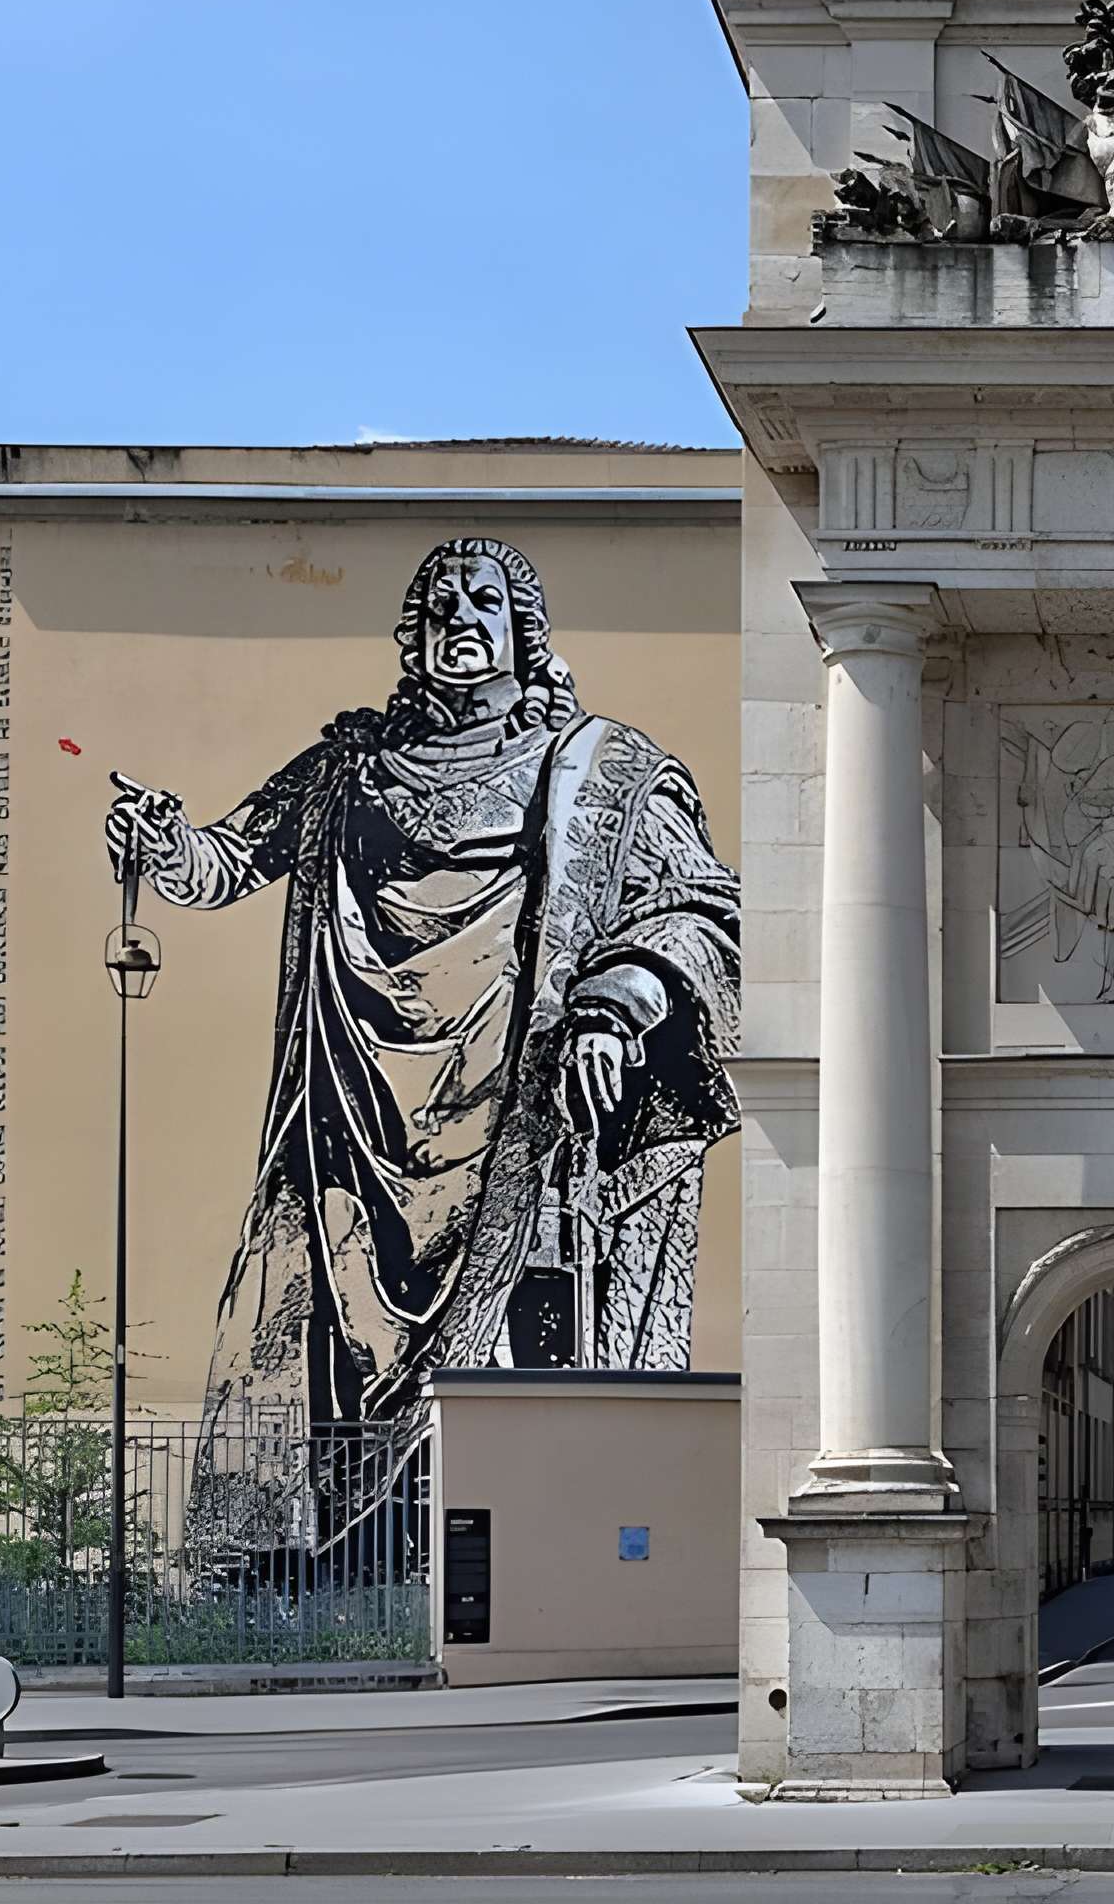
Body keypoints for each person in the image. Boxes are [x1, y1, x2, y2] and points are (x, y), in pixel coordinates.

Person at [106, 538, 737, 1548]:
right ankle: (330, 1576)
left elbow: (698, 906)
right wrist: (164, 841)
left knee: (525, 1364)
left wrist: (616, 1005)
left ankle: (547, 1563)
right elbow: (226, 861)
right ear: (416, 634)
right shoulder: (348, 770)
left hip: (520, 1121)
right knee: (322, 1357)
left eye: (484, 601)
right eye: (440, 604)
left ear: (523, 632)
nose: (460, 619)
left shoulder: (601, 771)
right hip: (354, 1124)